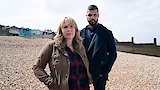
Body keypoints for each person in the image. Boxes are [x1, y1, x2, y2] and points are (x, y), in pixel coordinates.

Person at [33, 17, 92, 90]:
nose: (69, 29)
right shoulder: (51, 46)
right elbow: (37, 67)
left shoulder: (80, 47)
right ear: (61, 30)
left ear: (75, 30)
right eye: (65, 27)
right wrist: (50, 83)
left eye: (71, 26)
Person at [80, 5, 117, 90]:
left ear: (98, 16)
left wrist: (105, 71)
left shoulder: (107, 33)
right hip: (84, 71)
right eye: (89, 15)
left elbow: (113, 54)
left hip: (99, 71)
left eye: (94, 15)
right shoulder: (80, 33)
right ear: (86, 16)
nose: (92, 17)